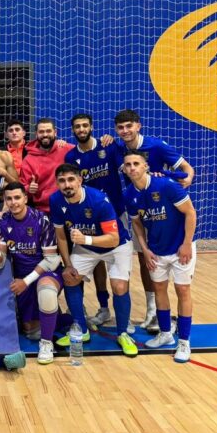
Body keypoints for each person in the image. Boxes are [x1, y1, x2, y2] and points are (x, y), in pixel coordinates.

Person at [114, 109, 195, 330]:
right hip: (142, 211)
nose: (125, 131)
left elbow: (187, 168)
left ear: (138, 126)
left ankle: (175, 320)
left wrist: (186, 181)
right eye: (120, 127)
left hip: (166, 210)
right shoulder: (119, 146)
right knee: (145, 259)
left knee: (178, 274)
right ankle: (153, 310)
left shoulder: (156, 145)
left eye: (129, 126)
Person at [49, 164, 138, 357]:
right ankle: (81, 329)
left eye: (71, 179)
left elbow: (113, 237)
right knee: (70, 278)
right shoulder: (55, 200)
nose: (67, 184)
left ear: (80, 180)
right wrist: (68, 265)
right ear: (57, 183)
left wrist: (85, 239)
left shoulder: (98, 200)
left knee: (120, 286)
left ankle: (123, 333)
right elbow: (61, 236)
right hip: (86, 248)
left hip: (116, 246)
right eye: (62, 181)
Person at [123, 150, 197, 363]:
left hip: (180, 246)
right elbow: (136, 222)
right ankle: (165, 333)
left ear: (146, 166)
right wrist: (145, 249)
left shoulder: (166, 185)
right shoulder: (129, 194)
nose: (132, 168)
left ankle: (184, 341)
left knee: (182, 289)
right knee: (159, 289)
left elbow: (190, 213)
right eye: (128, 165)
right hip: (156, 249)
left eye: (136, 163)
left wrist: (186, 244)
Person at [64, 113, 126, 329]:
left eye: (84, 126)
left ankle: (131, 316)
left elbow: (126, 169)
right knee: (96, 262)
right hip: (87, 218)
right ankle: (103, 308)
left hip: (116, 214)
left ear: (91, 127)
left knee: (118, 266)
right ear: (73, 130)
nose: (81, 129)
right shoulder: (71, 157)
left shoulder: (108, 146)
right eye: (77, 127)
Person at [0, 182, 64, 364]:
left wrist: (27, 281)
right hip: (20, 277)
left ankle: (46, 344)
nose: (13, 202)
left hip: (45, 272)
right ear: (5, 201)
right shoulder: (4, 222)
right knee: (30, 331)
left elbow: (51, 260)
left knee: (46, 291)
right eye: (9, 199)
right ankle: (64, 321)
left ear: (25, 198)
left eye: (17, 197)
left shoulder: (41, 220)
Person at [19, 118, 74, 213]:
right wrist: (28, 188)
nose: (45, 135)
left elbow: (86, 150)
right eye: (41, 132)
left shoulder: (67, 149)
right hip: (43, 211)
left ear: (55, 132)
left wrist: (104, 140)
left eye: (48, 131)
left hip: (71, 207)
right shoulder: (28, 160)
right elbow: (22, 189)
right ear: (36, 134)